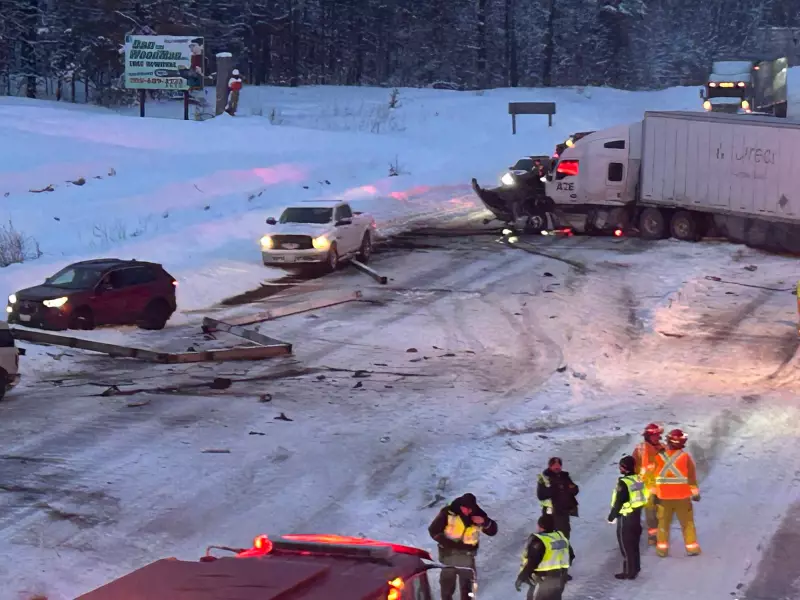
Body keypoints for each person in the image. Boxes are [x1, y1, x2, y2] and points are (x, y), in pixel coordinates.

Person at [428, 493, 498, 600]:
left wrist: (485, 522)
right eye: (465, 509)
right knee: (447, 587)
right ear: (460, 505)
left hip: (467, 558)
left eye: (470, 509)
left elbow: (493, 531)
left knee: (468, 590)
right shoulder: (448, 513)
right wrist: (450, 544)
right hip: (448, 556)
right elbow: (433, 531)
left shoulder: (478, 515)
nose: (467, 512)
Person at [653, 429, 701, 557]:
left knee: (663, 524)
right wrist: (695, 493)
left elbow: (653, 477)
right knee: (687, 524)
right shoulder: (685, 458)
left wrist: (654, 494)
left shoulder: (658, 457)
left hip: (663, 497)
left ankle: (662, 550)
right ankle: (692, 548)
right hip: (682, 497)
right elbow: (691, 477)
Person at [608, 455, 648, 579]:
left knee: (626, 546)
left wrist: (612, 516)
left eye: (620, 466)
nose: (619, 468)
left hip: (626, 518)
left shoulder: (624, 482)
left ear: (624, 468)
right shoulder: (638, 480)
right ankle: (636, 568)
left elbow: (619, 501)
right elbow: (645, 495)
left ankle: (628, 572)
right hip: (637, 515)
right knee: (634, 545)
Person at [515, 514, 573, 600]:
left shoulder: (539, 541)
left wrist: (521, 577)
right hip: (558, 580)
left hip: (542, 581)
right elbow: (571, 556)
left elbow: (532, 562)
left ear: (540, 526)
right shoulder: (561, 537)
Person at [632, 423, 664, 545]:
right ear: (648, 436)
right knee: (651, 514)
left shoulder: (663, 448)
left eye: (657, 435)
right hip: (647, 487)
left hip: (662, 486)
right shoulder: (640, 449)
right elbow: (634, 467)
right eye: (653, 435)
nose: (656, 437)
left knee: (662, 513)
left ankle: (661, 534)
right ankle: (653, 537)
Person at [537, 457, 579, 539]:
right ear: (550, 466)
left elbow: (575, 490)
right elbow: (541, 495)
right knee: (550, 535)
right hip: (551, 513)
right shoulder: (545, 478)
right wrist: (555, 488)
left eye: (559, 465)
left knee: (564, 534)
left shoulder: (564, 476)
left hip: (564, 512)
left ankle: (565, 550)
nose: (557, 467)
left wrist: (571, 488)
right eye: (555, 465)